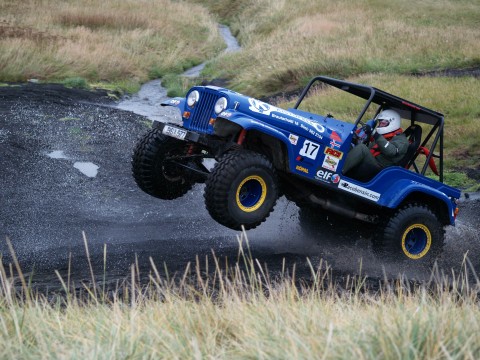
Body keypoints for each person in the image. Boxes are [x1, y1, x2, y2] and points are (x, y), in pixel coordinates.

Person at [342, 109, 409, 181]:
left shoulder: (402, 141)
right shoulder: (386, 135)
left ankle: (338, 171)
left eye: (383, 123)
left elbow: (391, 151)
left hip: (379, 169)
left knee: (362, 148)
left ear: (392, 123)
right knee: (348, 145)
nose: (380, 125)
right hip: (372, 162)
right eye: (379, 123)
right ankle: (331, 164)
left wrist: (375, 134)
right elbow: (371, 147)